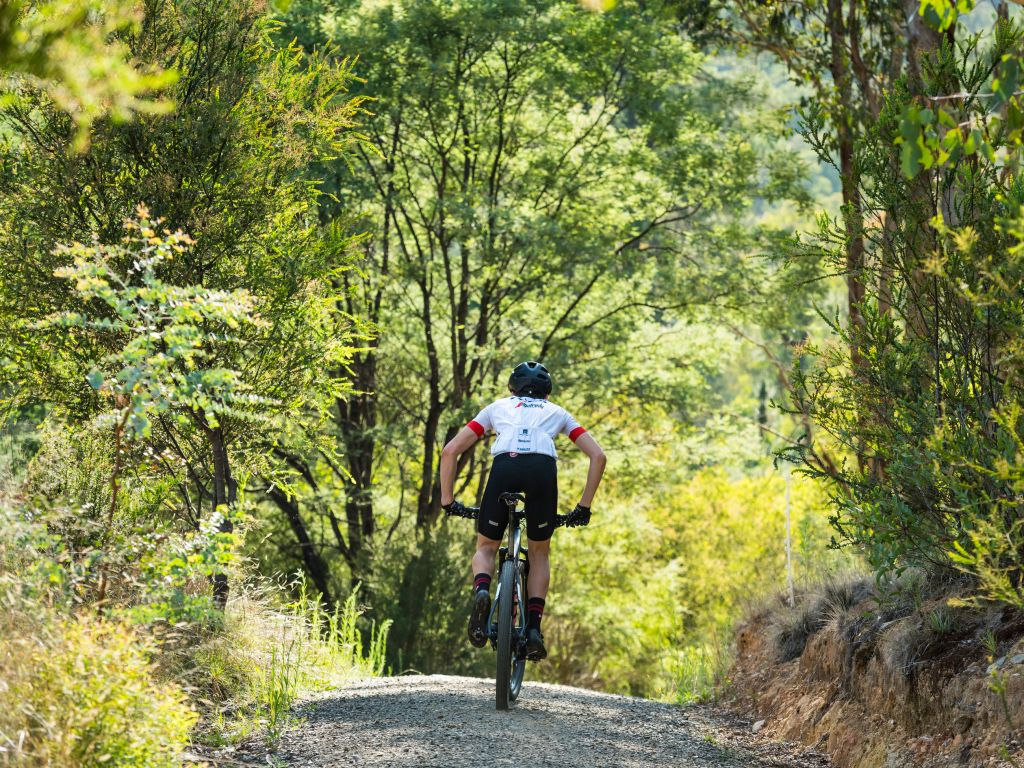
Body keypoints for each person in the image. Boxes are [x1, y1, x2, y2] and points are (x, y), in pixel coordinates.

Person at [439, 361, 607, 661]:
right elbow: (598, 456)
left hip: (505, 465)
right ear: (547, 392)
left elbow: (450, 451)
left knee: (487, 546)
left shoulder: (496, 408)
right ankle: (532, 629)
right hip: (541, 469)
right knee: (539, 552)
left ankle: (481, 589)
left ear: (512, 388)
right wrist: (583, 506)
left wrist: (448, 500)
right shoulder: (557, 412)